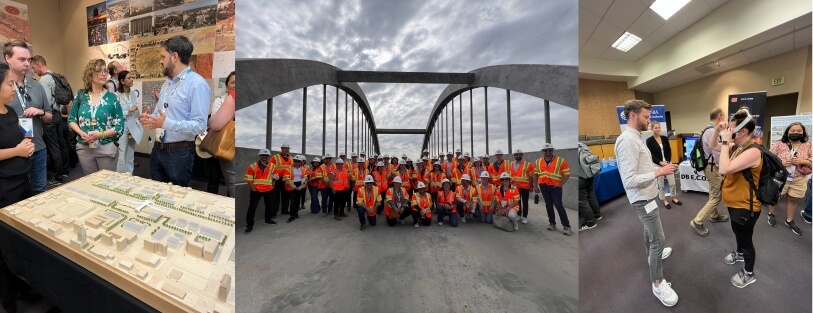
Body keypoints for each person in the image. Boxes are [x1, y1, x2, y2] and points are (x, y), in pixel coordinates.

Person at [614, 100, 677, 307]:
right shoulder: (627, 141)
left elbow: (642, 166)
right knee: (659, 238)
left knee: (650, 231)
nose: (649, 121)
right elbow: (629, 180)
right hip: (641, 198)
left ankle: (652, 257)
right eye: (646, 117)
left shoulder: (637, 138)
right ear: (633, 115)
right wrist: (659, 172)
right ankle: (657, 283)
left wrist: (660, 166)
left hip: (648, 195)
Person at [139, 35, 210, 187]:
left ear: (175, 56)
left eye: (163, 56)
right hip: (158, 149)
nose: (160, 61)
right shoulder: (167, 84)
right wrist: (150, 118)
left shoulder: (197, 84)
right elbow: (163, 115)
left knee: (177, 198)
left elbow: (200, 125)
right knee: (157, 193)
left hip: (180, 153)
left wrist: (167, 123)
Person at [714, 109, 762, 288]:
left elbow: (724, 169)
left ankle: (749, 273)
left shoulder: (753, 151)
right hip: (734, 203)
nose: (729, 130)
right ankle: (739, 253)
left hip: (746, 206)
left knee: (746, 239)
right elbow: (713, 146)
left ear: (742, 132)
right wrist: (718, 132)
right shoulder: (737, 148)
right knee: (737, 232)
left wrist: (726, 140)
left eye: (731, 128)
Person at [4, 40, 53, 194]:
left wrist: (41, 112)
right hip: (12, 151)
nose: (27, 64)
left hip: (38, 147)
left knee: (40, 191)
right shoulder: (3, 87)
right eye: (21, 59)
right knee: (16, 193)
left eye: (29, 60)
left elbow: (49, 117)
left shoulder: (37, 86)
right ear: (7, 58)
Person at [67, 59, 123, 175]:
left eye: (105, 71)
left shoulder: (113, 98)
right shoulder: (80, 95)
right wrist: (81, 133)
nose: (104, 74)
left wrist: (100, 135)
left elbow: (119, 126)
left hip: (105, 146)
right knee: (90, 183)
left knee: (106, 184)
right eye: (99, 71)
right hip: (84, 147)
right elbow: (71, 119)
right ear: (90, 74)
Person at [690, 108, 731, 236]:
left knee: (713, 192)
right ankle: (697, 221)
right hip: (712, 167)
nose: (724, 119)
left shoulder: (708, 129)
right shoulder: (712, 130)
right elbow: (716, 151)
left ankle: (714, 216)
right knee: (716, 196)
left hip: (710, 166)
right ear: (719, 116)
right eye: (723, 116)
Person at [766, 122, 811, 235]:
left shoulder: (809, 145)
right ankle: (771, 214)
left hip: (799, 178)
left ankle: (789, 220)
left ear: (803, 133)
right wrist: (780, 162)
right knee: (776, 197)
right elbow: (769, 158)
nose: (796, 132)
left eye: (799, 131)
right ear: (787, 132)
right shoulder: (779, 144)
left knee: (793, 199)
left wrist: (803, 161)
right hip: (781, 177)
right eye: (793, 131)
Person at [0, 61, 34, 207]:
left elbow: (19, 140)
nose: (14, 88)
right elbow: (16, 149)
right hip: (4, 184)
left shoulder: (11, 111)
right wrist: (17, 151)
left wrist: (27, 147)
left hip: (23, 178)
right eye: (9, 84)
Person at [30, 55, 67, 185]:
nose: (34, 71)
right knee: (61, 143)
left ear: (39, 64)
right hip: (58, 113)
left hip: (49, 114)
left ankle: (57, 176)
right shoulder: (54, 76)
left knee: (53, 147)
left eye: (34, 67)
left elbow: (44, 101)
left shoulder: (44, 80)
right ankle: (65, 169)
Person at [204, 71, 235, 195]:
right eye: (233, 82)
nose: (235, 85)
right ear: (227, 85)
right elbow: (216, 124)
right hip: (221, 143)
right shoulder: (220, 100)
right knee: (215, 175)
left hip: (234, 147)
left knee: (232, 183)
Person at [534, 143, 572, 235]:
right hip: (544, 186)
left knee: (558, 205)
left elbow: (567, 174)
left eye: (550, 150)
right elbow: (535, 174)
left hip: (555, 187)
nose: (548, 152)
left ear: (552, 151)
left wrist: (560, 184)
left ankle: (566, 226)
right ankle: (552, 223)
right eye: (546, 150)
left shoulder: (560, 160)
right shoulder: (538, 162)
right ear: (543, 151)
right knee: (548, 205)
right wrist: (535, 186)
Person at [646, 123, 682, 209]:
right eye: (656, 128)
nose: (658, 129)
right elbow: (651, 155)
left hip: (667, 163)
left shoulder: (665, 138)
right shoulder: (649, 140)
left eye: (659, 127)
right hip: (657, 165)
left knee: (672, 183)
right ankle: (663, 200)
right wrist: (661, 163)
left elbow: (669, 150)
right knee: (661, 185)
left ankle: (673, 197)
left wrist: (668, 161)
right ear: (652, 129)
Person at [244, 148, 278, 234]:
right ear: (259, 156)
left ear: (269, 157)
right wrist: (253, 189)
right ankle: (249, 225)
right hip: (256, 190)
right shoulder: (253, 166)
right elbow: (248, 179)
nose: (265, 157)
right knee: (252, 208)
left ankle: (268, 220)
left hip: (269, 189)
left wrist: (273, 184)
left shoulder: (273, 166)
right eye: (263, 155)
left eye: (267, 155)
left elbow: (275, 176)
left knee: (269, 206)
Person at [114, 70, 138, 174]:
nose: (132, 79)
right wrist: (128, 111)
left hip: (132, 128)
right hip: (122, 129)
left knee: (130, 155)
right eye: (129, 78)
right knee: (121, 155)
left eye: (132, 77)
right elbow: (115, 115)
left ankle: (129, 176)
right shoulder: (116, 96)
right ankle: (120, 179)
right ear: (122, 81)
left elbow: (135, 109)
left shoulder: (132, 94)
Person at [578, 142, 600, 231]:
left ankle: (590, 222)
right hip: (590, 175)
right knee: (591, 195)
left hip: (580, 178)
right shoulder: (582, 145)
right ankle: (597, 215)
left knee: (581, 201)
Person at [509, 149, 535, 224]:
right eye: (516, 155)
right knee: (517, 202)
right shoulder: (511, 164)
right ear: (514, 156)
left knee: (525, 202)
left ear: (522, 155)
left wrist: (531, 186)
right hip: (515, 187)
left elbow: (531, 176)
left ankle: (525, 217)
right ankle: (519, 215)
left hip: (525, 187)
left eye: (520, 155)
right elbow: (510, 175)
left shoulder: (527, 164)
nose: (518, 156)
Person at [283, 155, 307, 223]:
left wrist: (301, 186)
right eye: (295, 161)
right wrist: (293, 186)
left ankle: (296, 213)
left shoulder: (302, 169)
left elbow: (305, 178)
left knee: (297, 200)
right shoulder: (289, 169)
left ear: (300, 162)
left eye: (298, 161)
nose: (296, 162)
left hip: (299, 185)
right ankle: (292, 216)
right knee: (293, 201)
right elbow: (286, 178)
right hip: (291, 186)